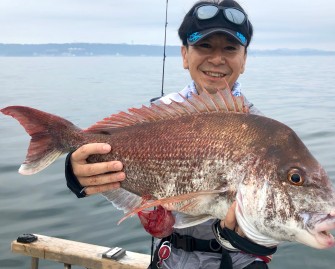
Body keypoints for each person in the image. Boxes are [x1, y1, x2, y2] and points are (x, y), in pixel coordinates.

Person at [65, 1, 275, 268]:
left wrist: (238, 235)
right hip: (169, 259)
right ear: (185, 55)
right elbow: (111, 149)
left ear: (244, 59)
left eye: (230, 48)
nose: (217, 58)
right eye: (204, 46)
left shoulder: (262, 131)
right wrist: (76, 171)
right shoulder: (159, 112)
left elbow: (274, 230)